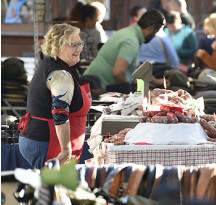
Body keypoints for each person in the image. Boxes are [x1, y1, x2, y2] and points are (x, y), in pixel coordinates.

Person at [17, 24, 92, 168]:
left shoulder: (54, 64)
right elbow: (60, 114)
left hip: (40, 138)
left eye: (80, 43)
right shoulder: (60, 74)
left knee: (53, 187)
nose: (79, 48)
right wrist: (65, 149)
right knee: (53, 188)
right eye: (73, 44)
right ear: (57, 46)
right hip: (47, 142)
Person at [84, 9, 166, 92]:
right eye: (156, 32)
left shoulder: (129, 33)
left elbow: (134, 64)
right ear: (151, 28)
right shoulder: (131, 41)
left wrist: (156, 81)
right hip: (96, 90)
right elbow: (118, 72)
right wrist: (128, 94)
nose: (155, 36)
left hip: (93, 85)